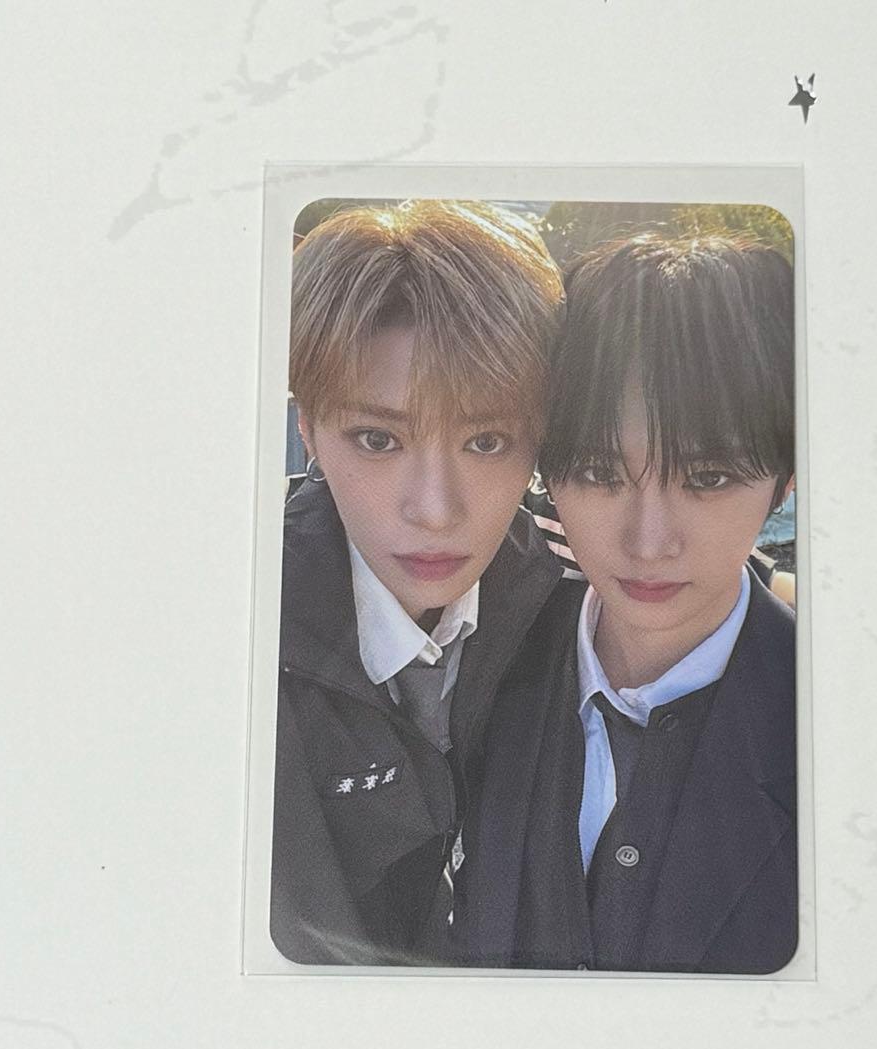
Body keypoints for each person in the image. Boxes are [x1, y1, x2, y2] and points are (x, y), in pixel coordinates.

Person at [455, 233, 799, 974]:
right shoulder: (475, 671)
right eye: (598, 473)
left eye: (707, 479)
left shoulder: (842, 729)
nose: (648, 542)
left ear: (786, 476)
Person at [271, 200, 565, 965]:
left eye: (486, 441)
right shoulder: (237, 627)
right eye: (378, 439)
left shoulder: (573, 594)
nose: (435, 509)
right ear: (306, 428)